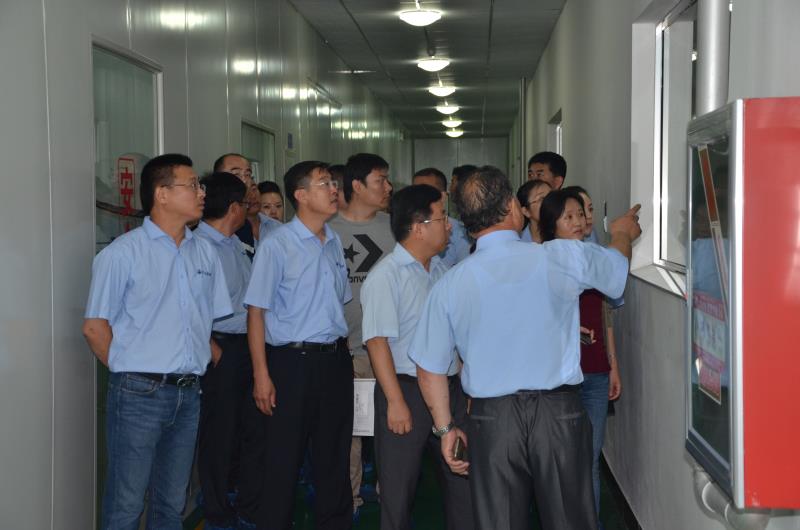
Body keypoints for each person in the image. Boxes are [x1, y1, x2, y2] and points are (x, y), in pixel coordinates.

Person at [408, 166, 641, 530]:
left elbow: (429, 368)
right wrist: (623, 233)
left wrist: (445, 429)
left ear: (466, 222)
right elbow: (614, 271)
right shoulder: (561, 257)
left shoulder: (450, 284)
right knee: (569, 520)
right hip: (558, 414)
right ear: (511, 207)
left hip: (492, 420)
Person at [82, 154, 233, 530]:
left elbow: (203, 319)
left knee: (171, 501)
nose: (202, 193)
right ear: (162, 194)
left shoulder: (205, 252)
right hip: (138, 394)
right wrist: (133, 371)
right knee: (127, 502)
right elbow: (95, 328)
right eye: (193, 185)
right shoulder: (122, 253)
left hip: (189, 394)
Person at [237, 161, 353, 530]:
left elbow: (339, 303)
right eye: (324, 183)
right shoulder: (278, 245)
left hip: (334, 360)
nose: (333, 189)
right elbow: (256, 313)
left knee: (334, 455)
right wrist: (261, 376)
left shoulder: (334, 242)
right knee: (283, 459)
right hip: (291, 363)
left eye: (333, 183)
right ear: (301, 195)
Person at [361, 184, 474, 530]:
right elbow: (377, 342)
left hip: (448, 390)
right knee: (398, 490)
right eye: (442, 217)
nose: (450, 225)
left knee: (463, 481)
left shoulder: (441, 272)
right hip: (405, 391)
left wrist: (465, 388)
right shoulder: (386, 276)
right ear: (418, 227)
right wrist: (395, 402)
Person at [539, 188, 622, 526]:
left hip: (596, 372)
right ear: (552, 223)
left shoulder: (594, 257)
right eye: (570, 215)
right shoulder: (542, 261)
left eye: (585, 211)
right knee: (559, 459)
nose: (581, 220)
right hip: (560, 378)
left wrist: (613, 364)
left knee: (590, 458)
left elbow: (605, 314)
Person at [328, 153, 394, 514]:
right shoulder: (327, 230)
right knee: (349, 431)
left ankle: (391, 496)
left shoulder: (396, 226)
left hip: (391, 347)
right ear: (356, 186)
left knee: (391, 427)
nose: (388, 187)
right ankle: (348, 500)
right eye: (380, 180)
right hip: (346, 349)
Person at [193, 172, 254, 530]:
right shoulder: (199, 246)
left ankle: (237, 498)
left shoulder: (234, 245)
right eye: (245, 203)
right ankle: (216, 510)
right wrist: (211, 347)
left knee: (244, 429)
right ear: (234, 207)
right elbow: (189, 303)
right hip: (221, 347)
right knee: (219, 433)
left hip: (246, 346)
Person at [413, 167, 471, 267]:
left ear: (442, 196)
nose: (418, 197)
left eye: (426, 192)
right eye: (414, 192)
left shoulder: (459, 232)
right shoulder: (405, 228)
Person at [516, 179, 552, 243]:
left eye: (551, 196)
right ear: (526, 211)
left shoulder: (564, 237)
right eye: (542, 199)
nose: (550, 201)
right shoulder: (518, 242)